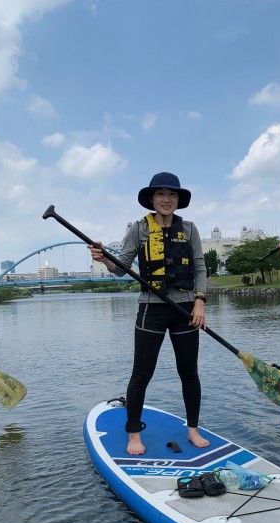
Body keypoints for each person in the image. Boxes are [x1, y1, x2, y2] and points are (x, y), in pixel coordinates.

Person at [88, 172, 209, 456]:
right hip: (151, 309)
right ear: (152, 199)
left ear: (178, 200)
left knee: (189, 372)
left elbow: (201, 268)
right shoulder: (139, 229)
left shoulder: (190, 229)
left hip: (185, 310)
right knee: (142, 373)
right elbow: (121, 267)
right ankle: (133, 432)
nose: (166, 200)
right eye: (161, 194)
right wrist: (104, 257)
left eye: (172, 195)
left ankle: (192, 429)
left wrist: (200, 302)